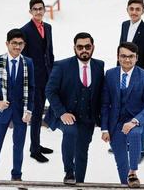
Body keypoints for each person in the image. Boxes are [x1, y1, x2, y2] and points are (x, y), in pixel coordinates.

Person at [45, 32, 104, 184]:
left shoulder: (99, 66)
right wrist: (62, 112)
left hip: (88, 117)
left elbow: (100, 93)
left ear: (93, 47)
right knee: (71, 132)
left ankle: (80, 184)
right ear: (74, 48)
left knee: (82, 150)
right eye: (80, 47)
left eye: (87, 46)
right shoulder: (61, 65)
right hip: (65, 114)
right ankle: (69, 172)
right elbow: (50, 91)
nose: (84, 50)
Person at [0, 29, 35, 190]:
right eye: (14, 43)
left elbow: (31, 88)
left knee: (19, 145)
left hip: (21, 111)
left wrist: (29, 110)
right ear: (7, 44)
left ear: (24, 45)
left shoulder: (28, 63)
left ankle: (17, 176)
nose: (17, 47)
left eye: (20, 44)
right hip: (2, 110)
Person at [101, 42, 144, 188]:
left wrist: (134, 121)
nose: (127, 59)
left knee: (134, 134)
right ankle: (125, 183)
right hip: (115, 123)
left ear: (137, 58)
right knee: (120, 162)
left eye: (131, 56)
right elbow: (105, 104)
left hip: (136, 120)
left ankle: (133, 172)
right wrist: (104, 129)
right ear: (118, 57)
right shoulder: (110, 74)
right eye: (123, 56)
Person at [116, 0, 144, 161]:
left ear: (143, 11)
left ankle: (141, 150)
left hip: (140, 78)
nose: (134, 12)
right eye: (131, 8)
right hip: (123, 74)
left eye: (137, 9)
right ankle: (125, 143)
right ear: (127, 9)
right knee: (124, 110)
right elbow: (120, 50)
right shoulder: (124, 25)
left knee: (139, 113)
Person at [21, 0, 54, 163]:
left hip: (48, 76)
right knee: (35, 113)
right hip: (35, 78)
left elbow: (50, 52)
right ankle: (34, 149)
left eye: (41, 8)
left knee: (42, 110)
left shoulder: (48, 27)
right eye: (35, 9)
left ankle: (37, 144)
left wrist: (53, 73)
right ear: (30, 11)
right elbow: (24, 59)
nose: (38, 11)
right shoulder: (25, 31)